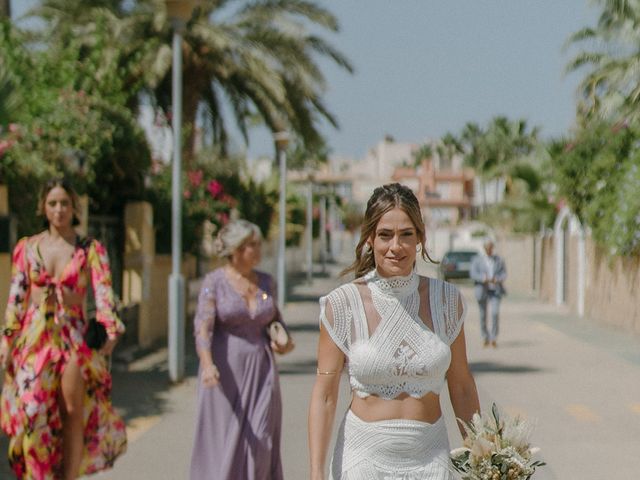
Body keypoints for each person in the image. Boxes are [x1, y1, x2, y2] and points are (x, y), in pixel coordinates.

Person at [308, 183, 480, 480]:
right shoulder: (342, 305)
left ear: (420, 238)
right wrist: (315, 473)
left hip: (432, 458)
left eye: (406, 234)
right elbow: (325, 396)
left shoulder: (447, 301)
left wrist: (481, 458)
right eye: (385, 235)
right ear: (370, 238)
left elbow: (462, 386)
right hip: (362, 459)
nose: (395, 246)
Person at [0, 177, 127, 479]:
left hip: (73, 337)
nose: (59, 210)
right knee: (32, 410)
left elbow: (104, 293)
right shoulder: (27, 248)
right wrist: (7, 340)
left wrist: (110, 328)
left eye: (64, 204)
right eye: (52, 203)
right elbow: (16, 298)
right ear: (43, 208)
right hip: (34, 339)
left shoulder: (90, 249)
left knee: (71, 410)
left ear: (74, 208)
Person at [190, 219, 295, 480]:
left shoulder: (267, 282)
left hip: (262, 373)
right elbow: (203, 328)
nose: (258, 250)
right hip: (225, 374)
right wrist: (207, 365)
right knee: (224, 442)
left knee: (262, 440)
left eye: (258, 244)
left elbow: (276, 321)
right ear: (236, 249)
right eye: (252, 245)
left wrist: (285, 342)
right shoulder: (213, 282)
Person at [470, 239, 507, 348]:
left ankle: (494, 337)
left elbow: (504, 274)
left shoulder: (499, 260)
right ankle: (485, 336)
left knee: (495, 313)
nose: (489, 250)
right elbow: (473, 274)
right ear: (484, 248)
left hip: (495, 290)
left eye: (491, 248)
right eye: (487, 248)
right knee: (483, 315)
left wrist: (498, 279)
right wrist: (483, 278)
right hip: (482, 290)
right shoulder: (477, 260)